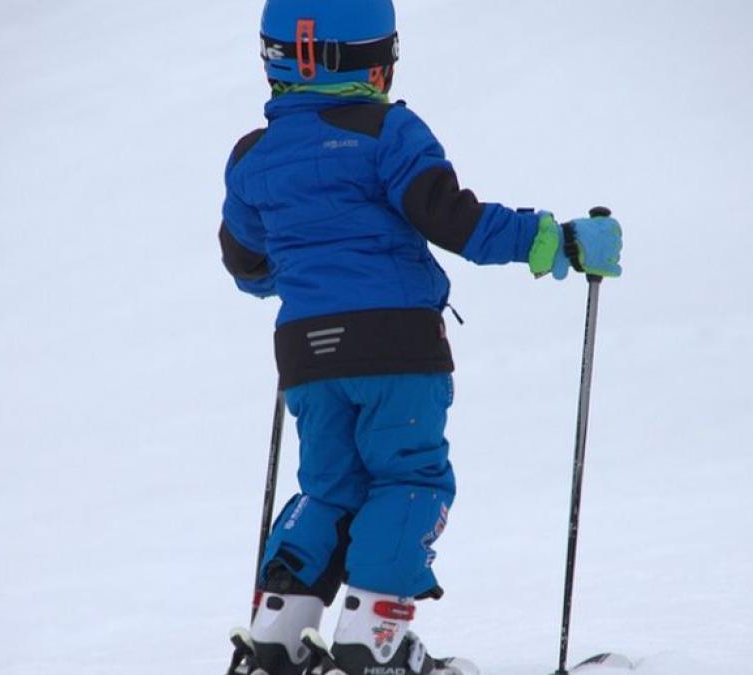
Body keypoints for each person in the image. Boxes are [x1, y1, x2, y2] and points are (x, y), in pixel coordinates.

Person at [219, 1, 622, 673]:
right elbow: (454, 221)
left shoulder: (253, 156)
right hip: (396, 344)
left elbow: (247, 262)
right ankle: (372, 643)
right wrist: (560, 241)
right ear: (369, 63)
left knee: (330, 489)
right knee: (408, 476)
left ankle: (276, 635)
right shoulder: (389, 131)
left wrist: (300, 267)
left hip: (305, 354)